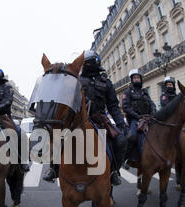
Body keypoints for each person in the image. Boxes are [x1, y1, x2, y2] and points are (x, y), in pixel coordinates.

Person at [42, 50, 128, 185]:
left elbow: (113, 105)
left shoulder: (106, 82)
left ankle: (114, 171)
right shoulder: (75, 81)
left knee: (120, 141)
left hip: (100, 121)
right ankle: (53, 168)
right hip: (78, 120)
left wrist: (120, 122)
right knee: (59, 139)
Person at [122, 69, 157, 162]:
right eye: (134, 78)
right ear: (132, 80)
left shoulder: (144, 92)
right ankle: (126, 157)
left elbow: (151, 103)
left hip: (147, 118)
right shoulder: (128, 92)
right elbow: (125, 107)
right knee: (132, 136)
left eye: (138, 77)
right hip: (134, 119)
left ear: (141, 79)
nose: (136, 79)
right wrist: (137, 116)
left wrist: (153, 112)